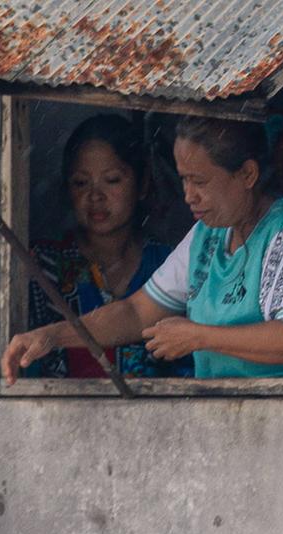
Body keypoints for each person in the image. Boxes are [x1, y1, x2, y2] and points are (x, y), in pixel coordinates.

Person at [2, 117, 283, 381]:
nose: (188, 196)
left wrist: (199, 336)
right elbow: (137, 313)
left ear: (247, 174)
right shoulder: (206, 236)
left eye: (200, 181)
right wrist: (53, 335)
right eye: (184, 179)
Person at [22, 114, 186, 380]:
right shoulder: (44, 267)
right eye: (81, 183)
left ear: (142, 184)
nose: (95, 196)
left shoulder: (169, 265)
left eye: (111, 180)